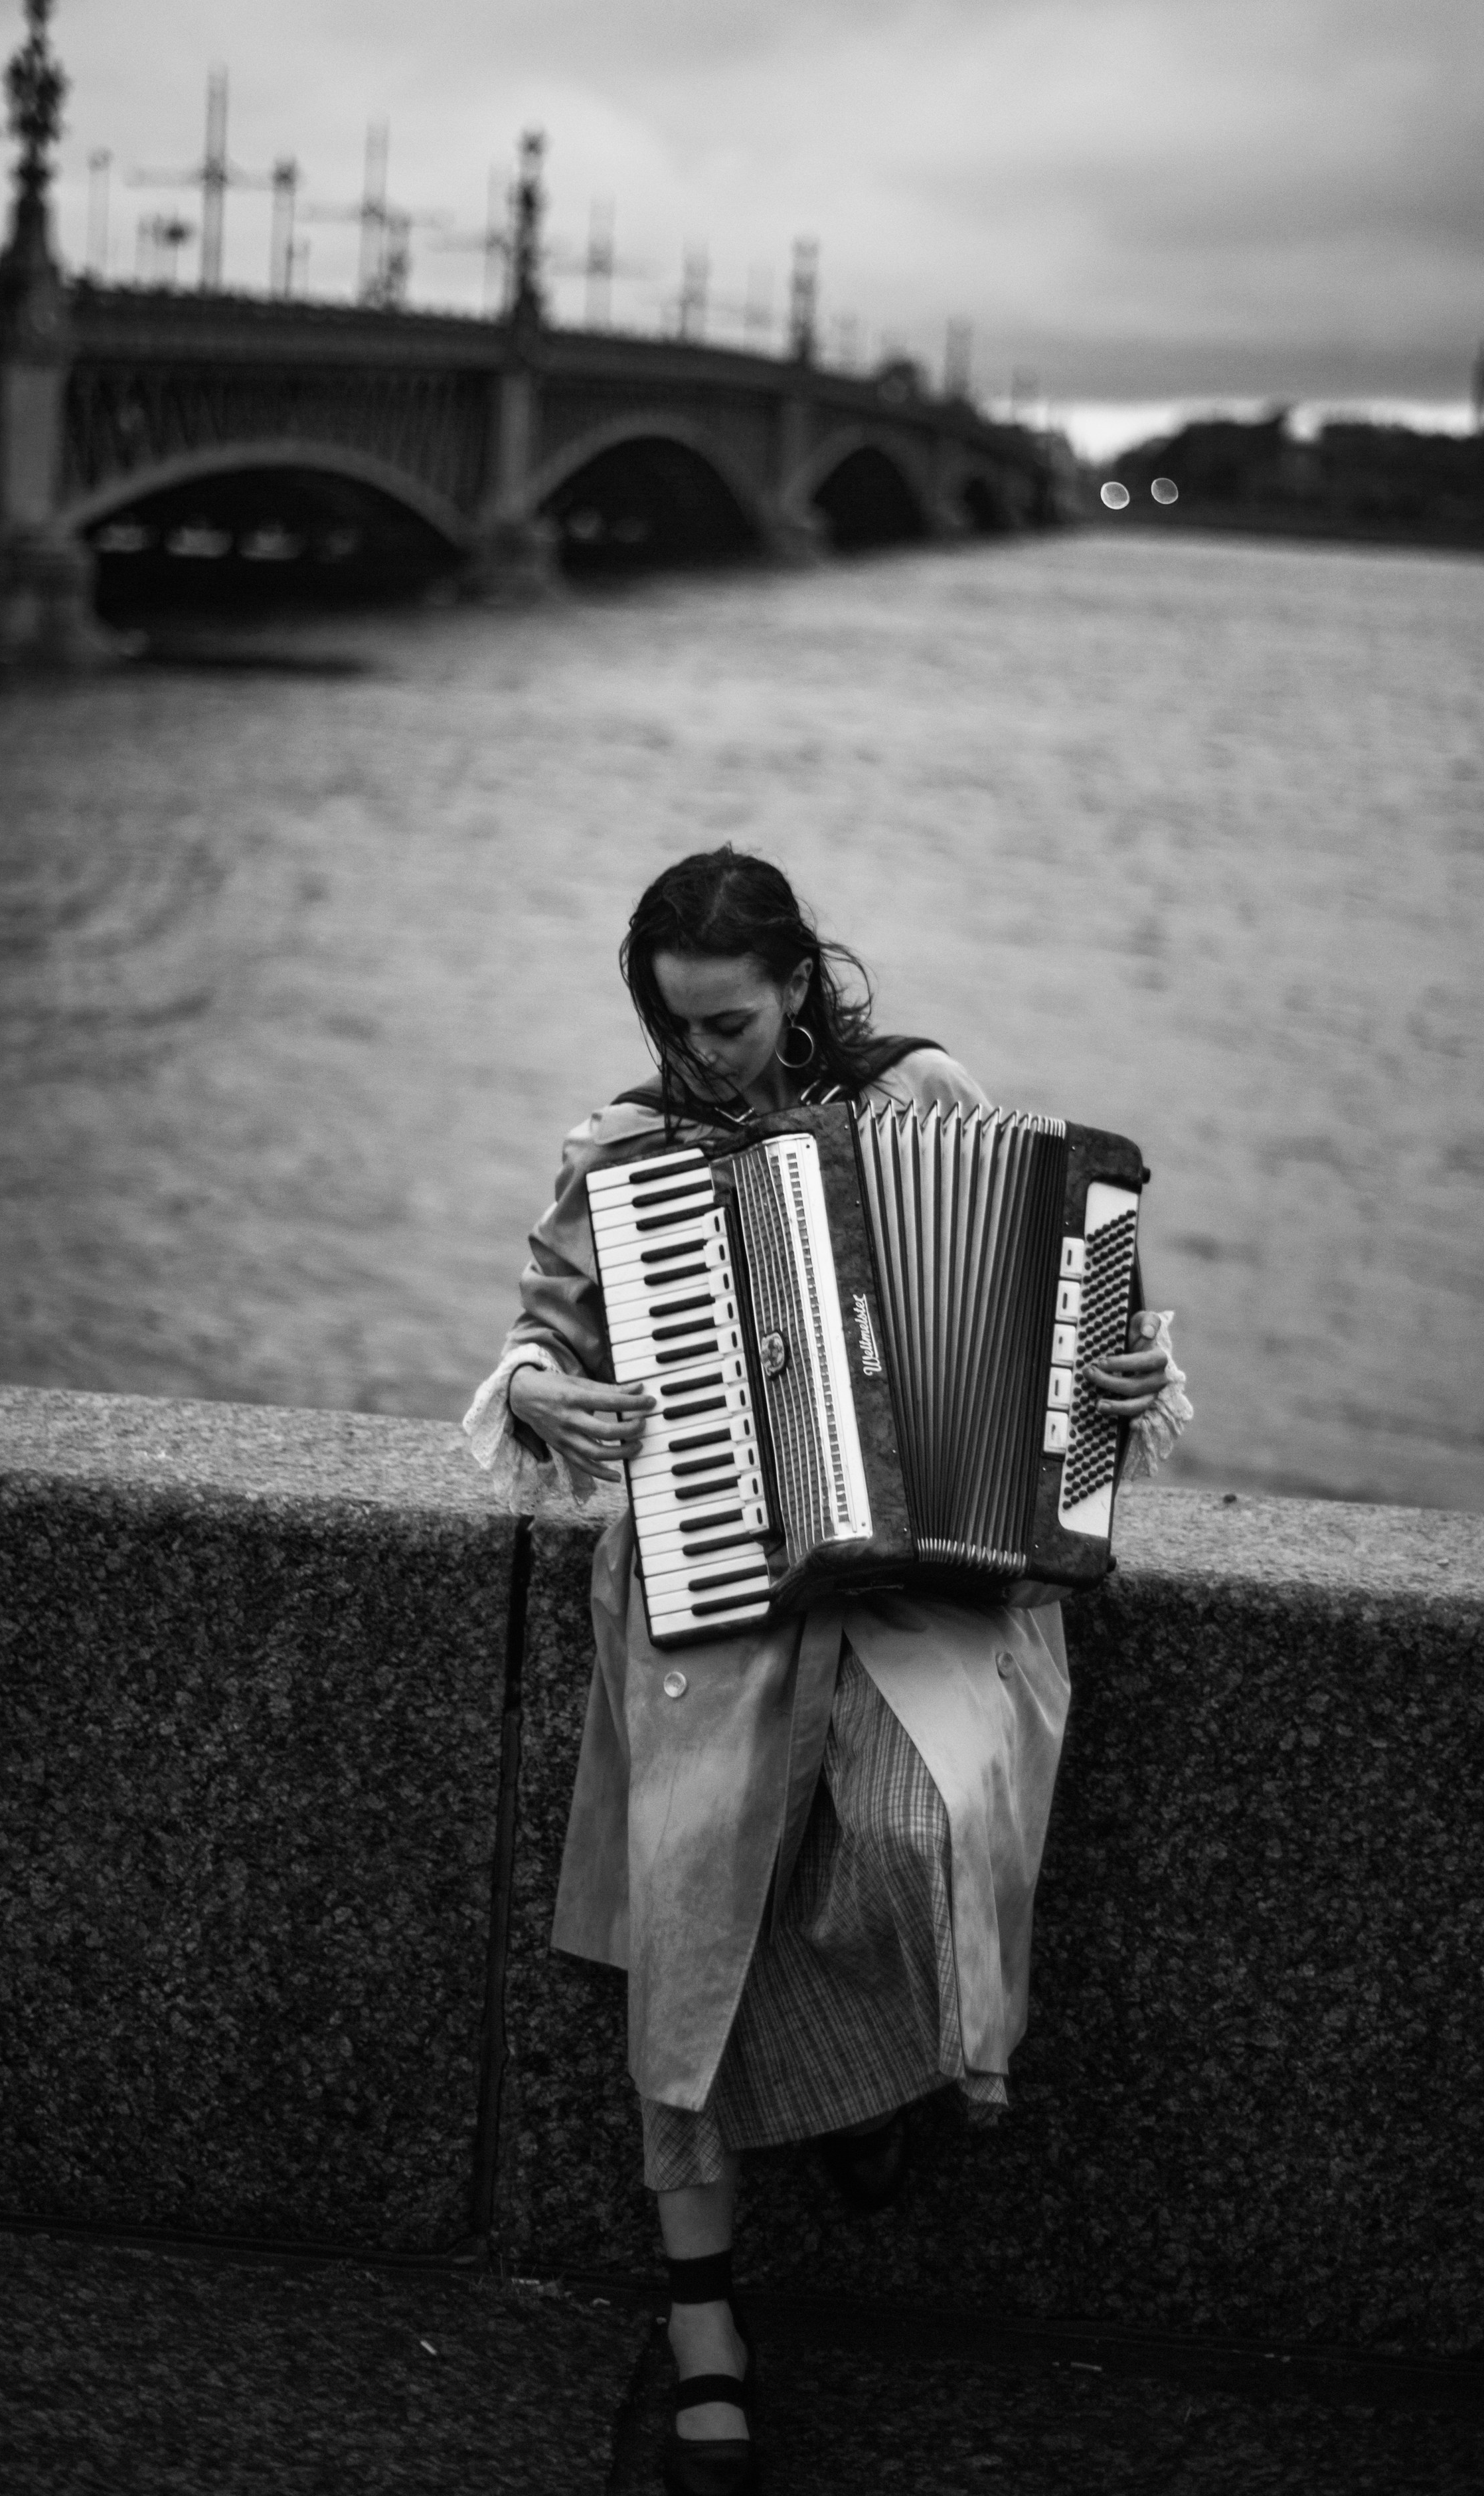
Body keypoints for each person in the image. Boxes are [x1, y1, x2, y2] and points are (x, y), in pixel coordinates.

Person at [465, 846, 1190, 2496]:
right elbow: (541, 1336)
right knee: (692, 1938)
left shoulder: (921, 1091)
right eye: (676, 1027)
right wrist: (534, 1388)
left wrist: (1127, 1360)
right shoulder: (626, 1149)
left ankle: (873, 2077)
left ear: (798, 983)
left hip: (926, 1577)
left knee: (922, 1839)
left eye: (725, 1023)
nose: (699, 1058)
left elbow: (1062, 1312)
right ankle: (707, 2331)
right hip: (713, 1587)